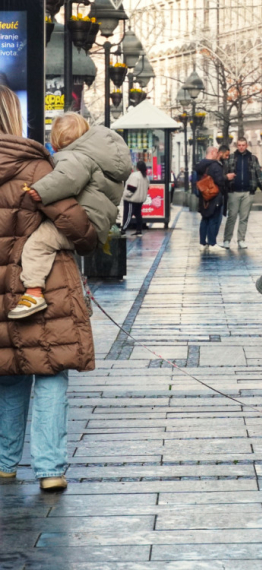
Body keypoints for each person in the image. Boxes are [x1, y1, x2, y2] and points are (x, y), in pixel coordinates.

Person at [0, 86, 98, 490]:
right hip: (43, 289)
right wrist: (91, 235)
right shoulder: (37, 168)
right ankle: (50, 470)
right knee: (51, 372)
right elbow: (75, 226)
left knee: (9, 373)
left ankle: (5, 463)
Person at [8, 112, 131, 319]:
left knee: (38, 244)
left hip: (81, 219)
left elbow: (68, 178)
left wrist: (41, 190)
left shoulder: (75, 156)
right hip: (95, 223)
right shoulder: (100, 157)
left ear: (56, 144)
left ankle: (33, 293)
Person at [222, 137, 262, 249]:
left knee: (244, 217)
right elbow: (225, 173)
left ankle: (241, 239)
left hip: (248, 192)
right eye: (239, 145)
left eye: (243, 145)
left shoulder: (253, 158)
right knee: (232, 216)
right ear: (236, 145)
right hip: (233, 191)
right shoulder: (231, 157)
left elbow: (258, 175)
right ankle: (227, 240)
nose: (241, 147)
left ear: (246, 145)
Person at [196, 146, 226, 252]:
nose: (218, 154)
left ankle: (202, 243)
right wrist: (227, 177)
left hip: (203, 196)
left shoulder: (200, 165)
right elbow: (220, 180)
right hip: (214, 196)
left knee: (204, 219)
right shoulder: (214, 165)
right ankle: (212, 243)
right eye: (217, 152)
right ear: (213, 152)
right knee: (213, 219)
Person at [121, 160, 150, 237]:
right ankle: (139, 230)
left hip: (131, 199)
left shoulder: (135, 175)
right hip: (140, 200)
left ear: (137, 167)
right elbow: (147, 187)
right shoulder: (145, 177)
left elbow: (131, 188)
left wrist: (126, 195)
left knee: (128, 215)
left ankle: (123, 230)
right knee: (138, 215)